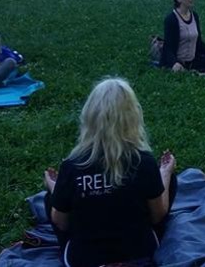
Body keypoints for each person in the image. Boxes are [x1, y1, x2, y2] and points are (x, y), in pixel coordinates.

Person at [43, 77, 176, 267]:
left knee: (52, 200)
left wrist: (54, 188)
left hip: (84, 259)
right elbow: (158, 215)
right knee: (169, 183)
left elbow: (61, 222)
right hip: (138, 254)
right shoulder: (143, 161)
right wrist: (165, 172)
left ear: (90, 115)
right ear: (132, 116)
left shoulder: (72, 166)